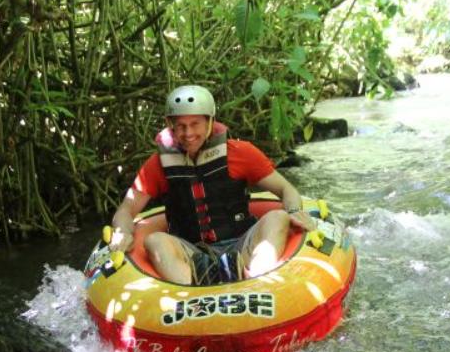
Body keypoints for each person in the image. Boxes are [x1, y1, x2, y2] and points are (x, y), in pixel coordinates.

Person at [107, 84, 316, 285]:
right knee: (154, 241)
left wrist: (295, 210)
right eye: (180, 125)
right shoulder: (158, 165)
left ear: (210, 121)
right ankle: (193, 289)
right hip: (189, 251)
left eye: (195, 124)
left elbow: (285, 189)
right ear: (170, 124)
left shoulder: (242, 153)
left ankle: (256, 281)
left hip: (241, 242)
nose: (188, 133)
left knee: (278, 217)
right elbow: (126, 209)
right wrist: (123, 231)